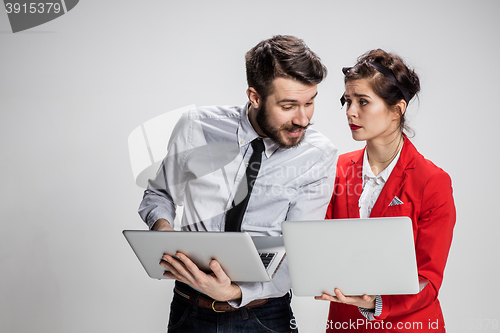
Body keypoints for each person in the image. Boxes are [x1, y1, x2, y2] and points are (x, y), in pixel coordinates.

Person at [138, 35, 338, 333]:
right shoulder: (196, 127)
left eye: (310, 103)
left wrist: (234, 293)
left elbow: (300, 252)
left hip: (264, 316)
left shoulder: (318, 154)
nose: (303, 119)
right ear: (254, 96)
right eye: (288, 106)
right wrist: (165, 235)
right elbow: (159, 194)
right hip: (188, 309)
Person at [316, 49, 456, 332]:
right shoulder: (336, 170)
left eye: (363, 102)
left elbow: (428, 278)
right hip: (345, 323)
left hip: (409, 325)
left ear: (397, 109)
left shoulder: (432, 181)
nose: (350, 112)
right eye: (347, 101)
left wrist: (376, 302)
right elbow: (318, 246)